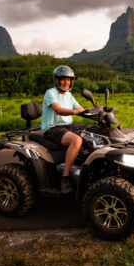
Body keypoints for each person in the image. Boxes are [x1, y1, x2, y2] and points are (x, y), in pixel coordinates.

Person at [41, 65, 85, 193]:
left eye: (68, 79)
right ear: (57, 80)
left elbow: (81, 109)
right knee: (76, 141)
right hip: (53, 128)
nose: (66, 82)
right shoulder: (51, 93)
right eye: (63, 79)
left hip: (67, 126)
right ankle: (64, 178)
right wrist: (74, 112)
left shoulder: (69, 95)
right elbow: (58, 109)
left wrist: (99, 110)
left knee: (92, 133)